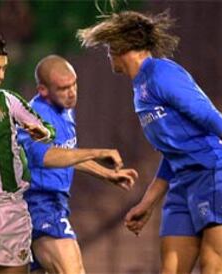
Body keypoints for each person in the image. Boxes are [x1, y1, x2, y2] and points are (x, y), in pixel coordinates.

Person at [77, 10, 222, 274]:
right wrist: (147, 203)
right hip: (181, 184)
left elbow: (208, 115)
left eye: (109, 47)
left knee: (212, 268)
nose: (108, 53)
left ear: (120, 46)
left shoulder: (162, 73)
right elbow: (173, 152)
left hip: (215, 173)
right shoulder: (140, 87)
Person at [0, 25, 128, 274]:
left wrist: (43, 132)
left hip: (12, 210)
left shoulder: (10, 102)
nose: (1, 75)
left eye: (4, 69)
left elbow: (47, 133)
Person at [17, 55, 139, 274]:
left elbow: (67, 155)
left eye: (74, 84)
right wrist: (98, 152)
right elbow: (45, 157)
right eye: (63, 88)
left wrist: (107, 174)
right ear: (43, 90)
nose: (72, 92)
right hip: (40, 204)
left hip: (53, 203)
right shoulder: (35, 117)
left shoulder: (64, 108)